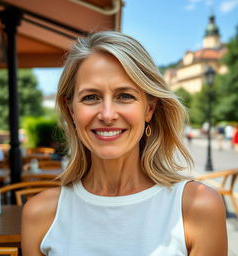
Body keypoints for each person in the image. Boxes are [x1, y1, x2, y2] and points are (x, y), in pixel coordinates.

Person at [21, 31, 227, 256]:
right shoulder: (40, 214)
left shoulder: (197, 207)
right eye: (91, 97)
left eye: (125, 96)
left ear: (149, 109)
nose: (107, 114)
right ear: (72, 110)